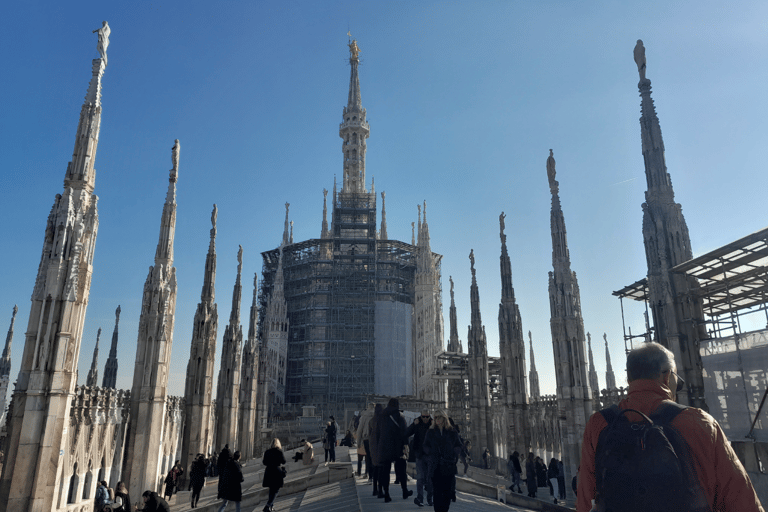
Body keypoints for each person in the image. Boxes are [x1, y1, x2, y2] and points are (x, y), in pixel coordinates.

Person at [577, 342, 765, 512]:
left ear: (629, 381)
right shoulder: (699, 423)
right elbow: (740, 498)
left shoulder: (599, 424)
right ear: (667, 377)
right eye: (677, 377)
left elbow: (586, 497)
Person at [423, 409, 462, 512]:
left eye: (438, 417)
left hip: (448, 466)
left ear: (443, 418)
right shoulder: (430, 432)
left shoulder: (452, 432)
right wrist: (430, 452)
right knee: (437, 493)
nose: (436, 420)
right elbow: (425, 445)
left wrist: (453, 453)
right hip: (435, 466)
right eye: (435, 417)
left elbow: (458, 445)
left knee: (447, 493)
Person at [376, 398, 408, 503]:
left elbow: (377, 432)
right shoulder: (399, 416)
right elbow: (404, 432)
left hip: (384, 447)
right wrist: (405, 445)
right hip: (397, 446)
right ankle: (404, 491)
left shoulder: (381, 416)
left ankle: (387, 494)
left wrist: (379, 446)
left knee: (385, 472)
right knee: (401, 470)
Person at [406, 408, 433, 507]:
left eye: (427, 416)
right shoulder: (417, 423)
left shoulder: (433, 424)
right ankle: (420, 498)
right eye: (423, 417)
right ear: (421, 416)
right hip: (420, 455)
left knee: (429, 479)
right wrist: (413, 424)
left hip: (430, 455)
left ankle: (430, 499)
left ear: (429, 416)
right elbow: (407, 433)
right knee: (420, 478)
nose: (425, 419)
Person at [262, 438, 286, 512]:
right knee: (276, 490)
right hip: (276, 471)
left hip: (269, 471)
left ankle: (270, 507)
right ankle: (268, 505)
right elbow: (284, 461)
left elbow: (264, 462)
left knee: (271, 490)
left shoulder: (267, 451)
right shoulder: (279, 451)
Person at [355, 402, 375, 479]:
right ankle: (371, 474)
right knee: (372, 457)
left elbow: (359, 430)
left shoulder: (364, 416)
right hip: (374, 439)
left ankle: (369, 476)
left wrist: (358, 442)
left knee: (368, 457)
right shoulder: (377, 415)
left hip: (366, 438)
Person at [368, 403, 383, 498]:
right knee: (381, 470)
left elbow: (369, 435)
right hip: (381, 447)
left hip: (373, 447)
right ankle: (380, 490)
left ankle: (374, 490)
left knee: (375, 469)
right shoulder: (383, 420)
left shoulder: (371, 421)